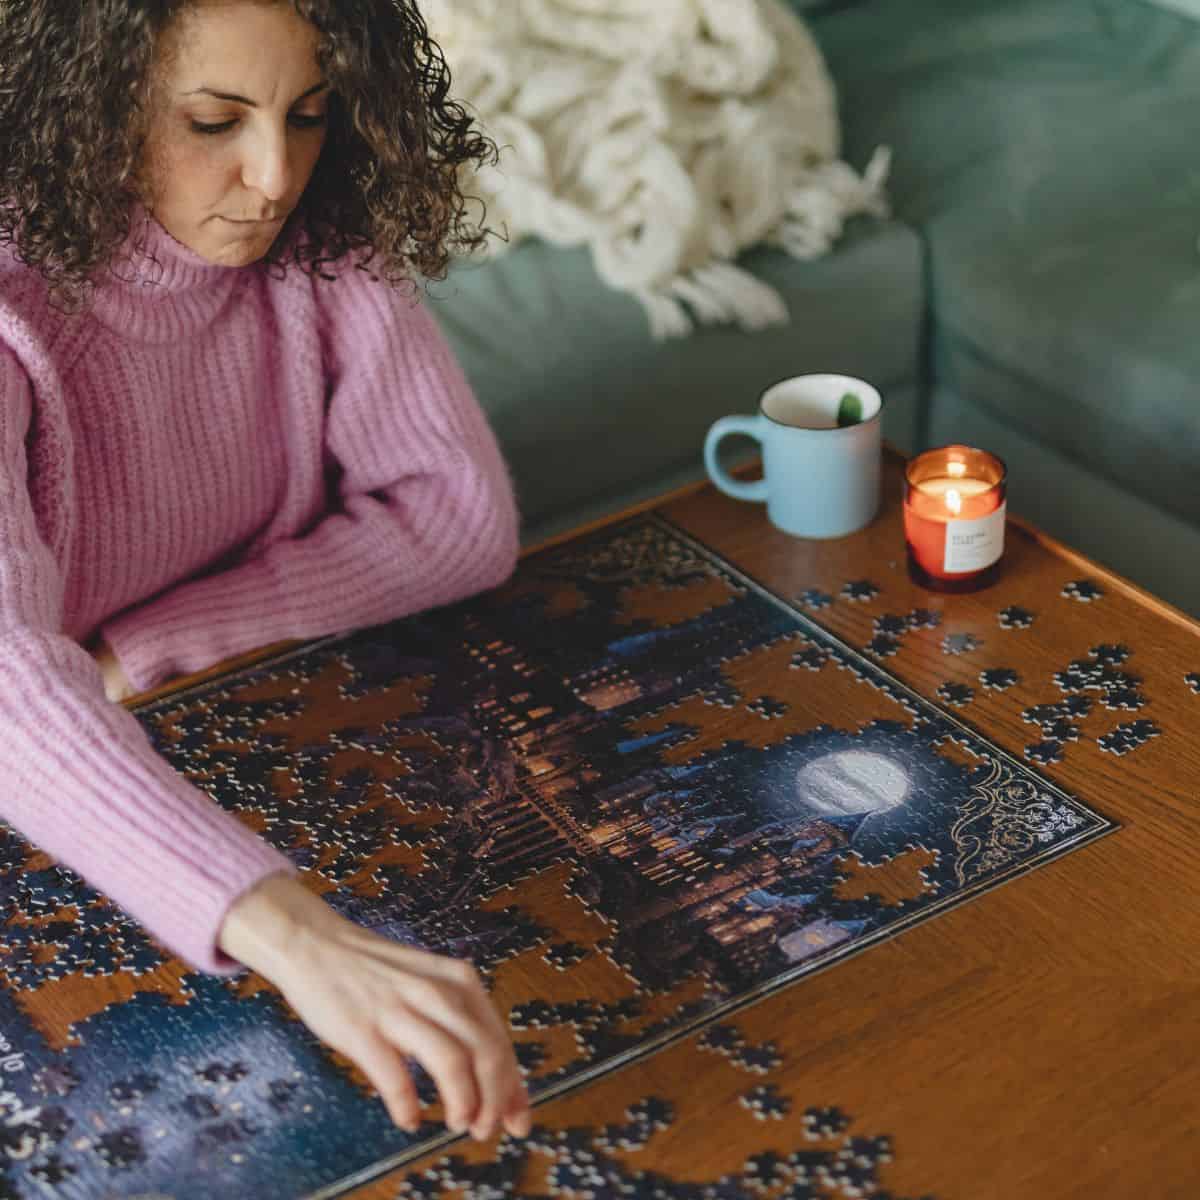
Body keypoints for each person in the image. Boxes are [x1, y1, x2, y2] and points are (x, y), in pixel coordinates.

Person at [0, 0, 532, 1143]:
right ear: (87, 108)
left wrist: (150, 645)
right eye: (211, 119)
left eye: (309, 115)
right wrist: (298, 933)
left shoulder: (320, 231)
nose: (273, 173)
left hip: (169, 725)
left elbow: (458, 516)